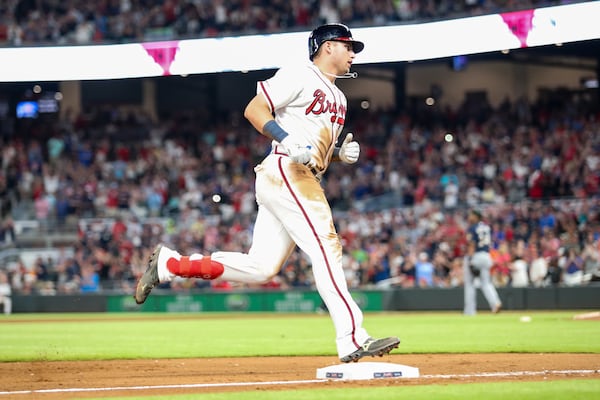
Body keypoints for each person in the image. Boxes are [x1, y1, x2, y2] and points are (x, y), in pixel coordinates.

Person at [134, 23, 400, 363]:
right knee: (326, 245)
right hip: (287, 170)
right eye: (348, 46)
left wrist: (336, 155)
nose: (353, 53)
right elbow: (255, 109)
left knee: (261, 268)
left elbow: (313, 146)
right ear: (328, 46)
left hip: (300, 174)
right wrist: (285, 138)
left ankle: (172, 265)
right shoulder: (300, 73)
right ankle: (352, 337)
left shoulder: (340, 97)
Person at [463, 209, 502, 315]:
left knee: (470, 284)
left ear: (476, 216)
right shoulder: (487, 227)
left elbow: (472, 244)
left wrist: (470, 261)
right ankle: (495, 303)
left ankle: (470, 311)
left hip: (476, 256)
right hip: (486, 255)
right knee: (486, 283)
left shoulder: (472, 227)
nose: (469, 217)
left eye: (471, 215)